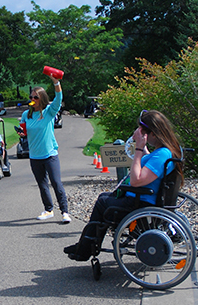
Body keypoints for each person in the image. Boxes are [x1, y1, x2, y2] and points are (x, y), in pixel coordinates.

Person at [64, 110, 183, 261]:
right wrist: (143, 148)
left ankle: (85, 249)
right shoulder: (166, 151)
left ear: (153, 133)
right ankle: (86, 244)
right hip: (143, 199)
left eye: (143, 132)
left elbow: (136, 180)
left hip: (140, 203)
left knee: (102, 202)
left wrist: (139, 148)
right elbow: (150, 166)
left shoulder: (162, 154)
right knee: (105, 197)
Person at [19, 75, 71, 224]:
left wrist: (56, 82)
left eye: (35, 97)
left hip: (50, 154)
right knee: (42, 185)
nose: (32, 99)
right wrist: (21, 133)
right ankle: (48, 210)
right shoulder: (26, 115)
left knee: (56, 182)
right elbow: (25, 132)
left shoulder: (49, 111)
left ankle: (65, 212)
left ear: (41, 98)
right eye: (31, 97)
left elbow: (58, 98)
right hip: (35, 156)